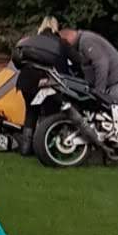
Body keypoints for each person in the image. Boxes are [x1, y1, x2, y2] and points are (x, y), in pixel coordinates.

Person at [10, 17, 73, 155]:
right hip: (48, 81)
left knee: (31, 112)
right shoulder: (60, 43)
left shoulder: (30, 41)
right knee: (51, 114)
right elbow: (73, 62)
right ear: (56, 27)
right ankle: (49, 148)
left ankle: (26, 148)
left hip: (26, 81)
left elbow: (17, 61)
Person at [58, 25, 118, 105]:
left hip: (115, 81)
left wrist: (99, 91)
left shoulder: (86, 41)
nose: (67, 47)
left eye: (65, 44)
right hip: (113, 81)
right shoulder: (83, 41)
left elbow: (101, 64)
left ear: (67, 39)